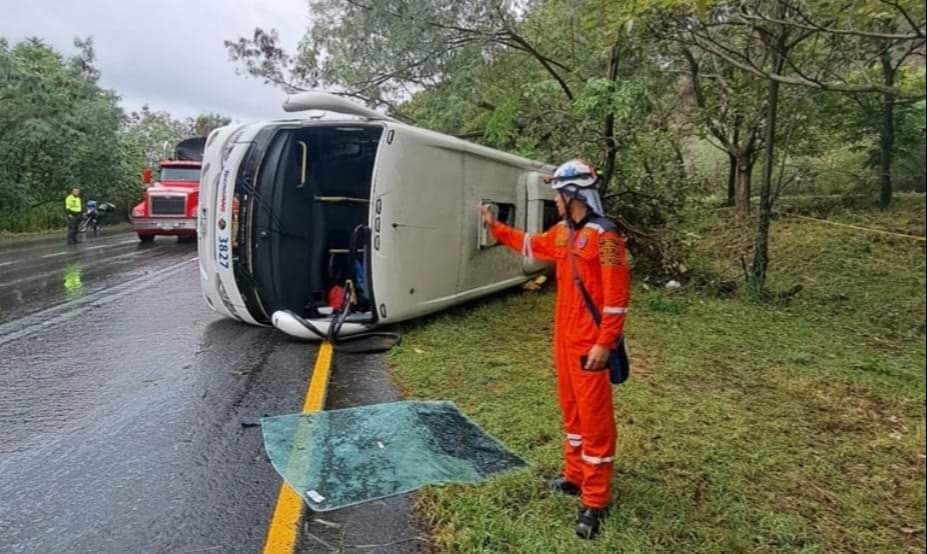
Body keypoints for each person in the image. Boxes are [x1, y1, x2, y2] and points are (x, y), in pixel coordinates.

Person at [480, 159, 630, 540]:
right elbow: (531, 245)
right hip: (565, 341)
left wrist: (604, 343)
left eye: (558, 195)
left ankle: (595, 500)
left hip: (590, 345)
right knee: (572, 411)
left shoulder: (606, 237)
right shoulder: (563, 233)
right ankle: (575, 476)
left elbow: (616, 300)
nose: (556, 202)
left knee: (595, 421)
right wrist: (495, 228)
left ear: (573, 194)